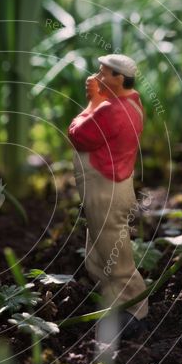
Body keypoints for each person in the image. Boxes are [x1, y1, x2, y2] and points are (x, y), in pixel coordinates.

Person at [67, 54, 148, 340]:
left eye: (103, 74)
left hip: (106, 189)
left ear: (118, 78)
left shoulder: (111, 110)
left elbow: (77, 133)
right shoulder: (133, 101)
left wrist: (92, 102)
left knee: (114, 253)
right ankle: (113, 300)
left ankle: (133, 310)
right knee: (98, 252)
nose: (98, 78)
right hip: (113, 187)